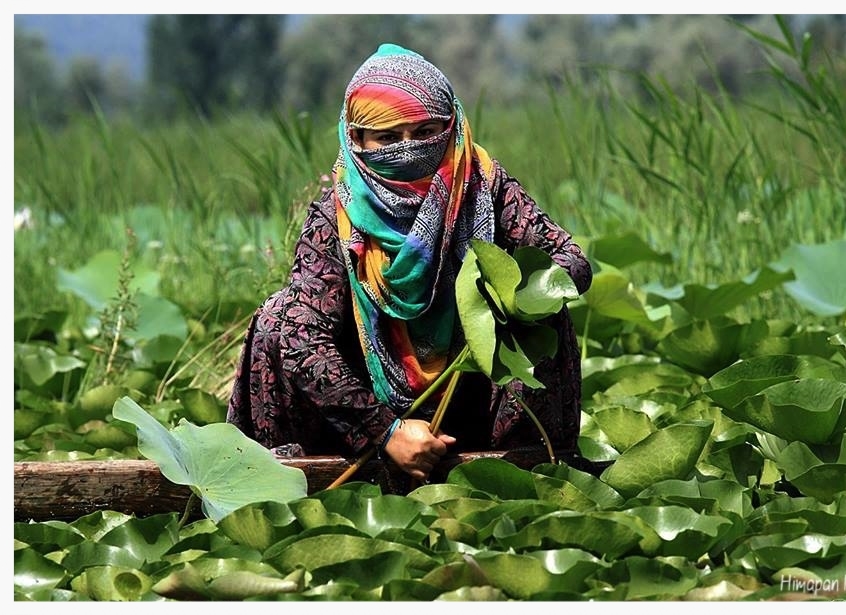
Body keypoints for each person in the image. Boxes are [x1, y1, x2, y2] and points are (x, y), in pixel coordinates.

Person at [226, 43, 592, 482]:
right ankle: (289, 474)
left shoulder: (485, 189)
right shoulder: (336, 217)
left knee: (548, 309)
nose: (409, 149)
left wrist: (503, 304)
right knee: (275, 320)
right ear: (356, 139)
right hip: (366, 418)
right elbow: (299, 332)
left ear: (452, 125)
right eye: (388, 137)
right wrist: (384, 432)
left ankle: (528, 467)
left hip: (471, 398)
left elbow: (571, 263)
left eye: (425, 131)